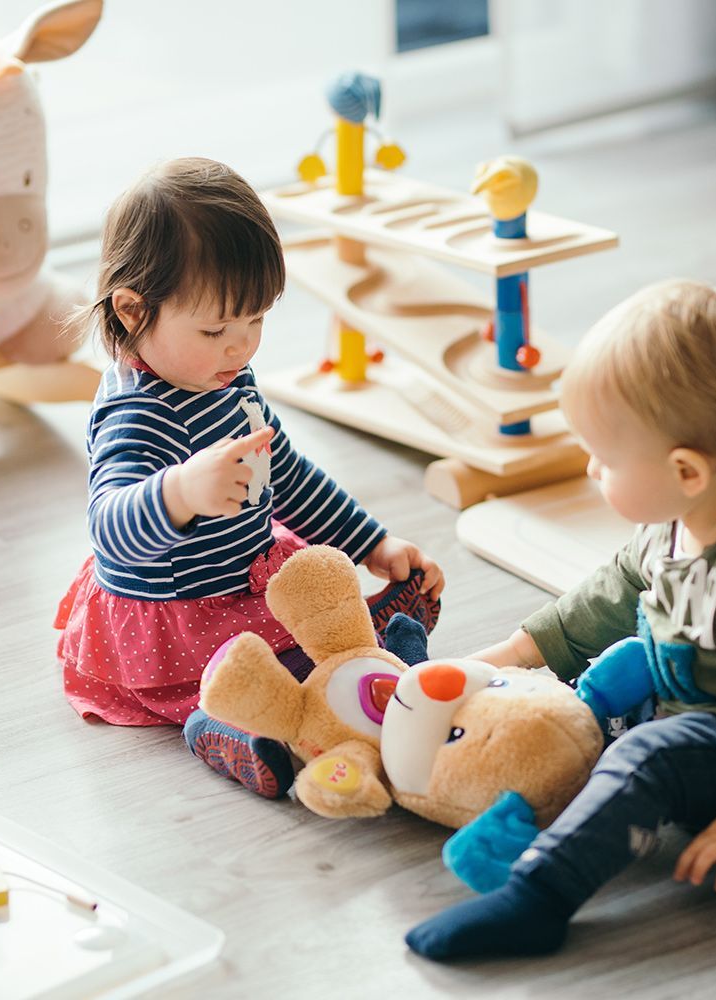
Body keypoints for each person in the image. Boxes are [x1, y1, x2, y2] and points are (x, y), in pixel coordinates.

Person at [405, 279, 716, 960]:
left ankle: (539, 896)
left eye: (605, 459)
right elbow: (615, 588)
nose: (590, 467)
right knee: (582, 712)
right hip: (710, 702)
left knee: (644, 755)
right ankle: (527, 807)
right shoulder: (679, 518)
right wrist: (508, 656)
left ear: (686, 470)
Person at [54, 157, 445, 799]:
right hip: (177, 616)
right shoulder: (138, 413)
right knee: (250, 677)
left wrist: (373, 544)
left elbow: (285, 476)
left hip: (245, 573)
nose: (241, 348)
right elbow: (110, 529)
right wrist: (180, 492)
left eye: (256, 321)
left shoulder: (224, 377)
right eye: (215, 329)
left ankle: (368, 644)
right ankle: (227, 730)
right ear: (131, 311)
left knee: (315, 605)